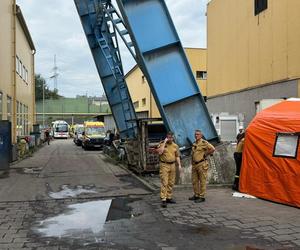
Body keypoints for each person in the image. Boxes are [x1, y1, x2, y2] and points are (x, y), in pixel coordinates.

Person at [156, 131, 182, 208]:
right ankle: (163, 199)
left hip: (173, 165)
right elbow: (160, 152)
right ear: (166, 137)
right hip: (164, 165)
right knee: (165, 182)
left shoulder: (175, 146)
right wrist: (164, 142)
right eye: (168, 137)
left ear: (173, 137)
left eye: (171, 137)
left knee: (171, 182)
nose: (170, 138)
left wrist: (179, 165)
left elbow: (177, 156)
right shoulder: (162, 144)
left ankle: (169, 197)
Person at [189, 129, 215, 203]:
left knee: (202, 181)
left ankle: (202, 196)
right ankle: (196, 195)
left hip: (201, 164)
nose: (196, 135)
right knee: (194, 181)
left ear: (201, 135)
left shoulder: (204, 142)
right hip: (194, 165)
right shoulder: (194, 143)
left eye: (198, 134)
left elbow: (212, 149)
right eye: (195, 134)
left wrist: (205, 154)